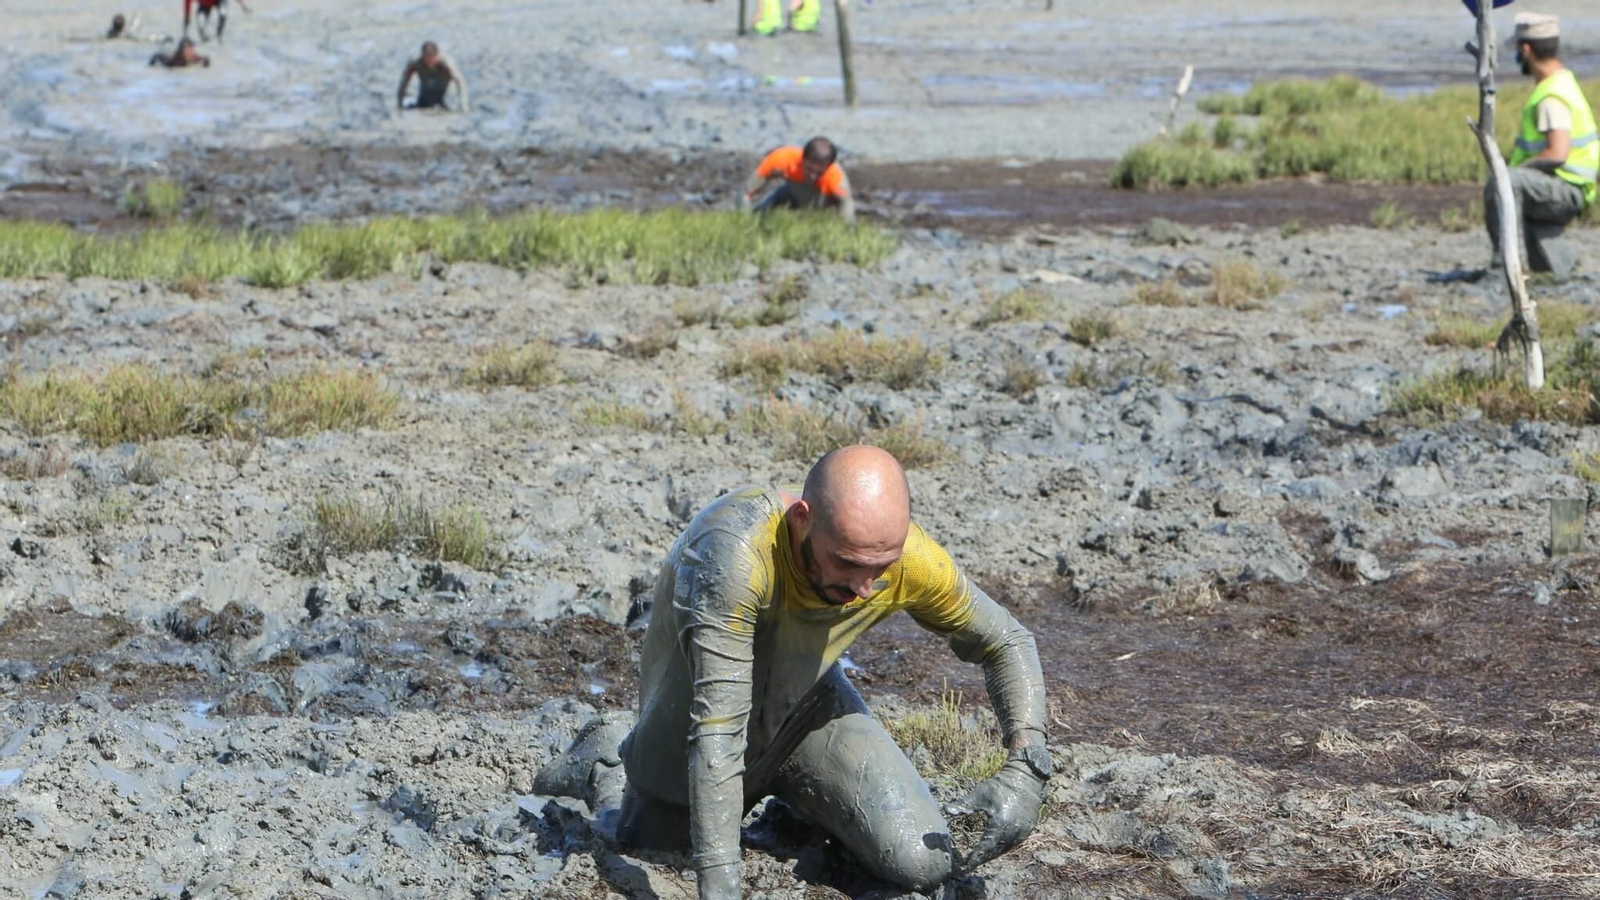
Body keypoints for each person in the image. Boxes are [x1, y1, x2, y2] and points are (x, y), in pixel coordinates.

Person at [538, 446, 1052, 898]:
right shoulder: (735, 552)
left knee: (922, 863)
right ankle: (608, 759)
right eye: (846, 562)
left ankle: (801, 805)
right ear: (802, 519)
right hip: (693, 727)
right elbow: (717, 732)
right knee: (650, 843)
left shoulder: (904, 560)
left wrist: (1027, 769)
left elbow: (1007, 641)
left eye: (881, 566)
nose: (865, 588)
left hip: (807, 714)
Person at [1484, 12, 1596, 279]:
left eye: (1518, 50)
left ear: (1526, 50)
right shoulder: (1563, 83)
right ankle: (1561, 272)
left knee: (1503, 183)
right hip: (1568, 187)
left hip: (1565, 189)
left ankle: (1500, 268)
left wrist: (1514, 172)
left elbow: (1557, 153)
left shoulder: (1551, 96)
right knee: (1550, 274)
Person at [742, 136, 856, 224]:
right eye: (809, 169)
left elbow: (847, 204)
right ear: (802, 158)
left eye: (819, 172)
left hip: (821, 202)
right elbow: (746, 191)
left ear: (828, 167)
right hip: (791, 193)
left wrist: (847, 227)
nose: (812, 176)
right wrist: (745, 219)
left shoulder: (836, 177)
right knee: (761, 210)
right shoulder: (782, 158)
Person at [397, 42, 470, 112]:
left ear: (437, 55)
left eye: (431, 58)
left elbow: (459, 81)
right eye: (426, 58)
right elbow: (403, 83)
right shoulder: (415, 63)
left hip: (442, 100)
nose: (429, 61)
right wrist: (400, 104)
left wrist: (463, 104)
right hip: (423, 99)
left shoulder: (446, 63)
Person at [183, 0, 248, 43]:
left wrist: (243, 5)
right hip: (205, 4)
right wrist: (186, 19)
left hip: (219, 1)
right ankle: (204, 36)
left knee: (223, 12)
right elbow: (187, 3)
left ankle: (219, 34)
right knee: (201, 19)